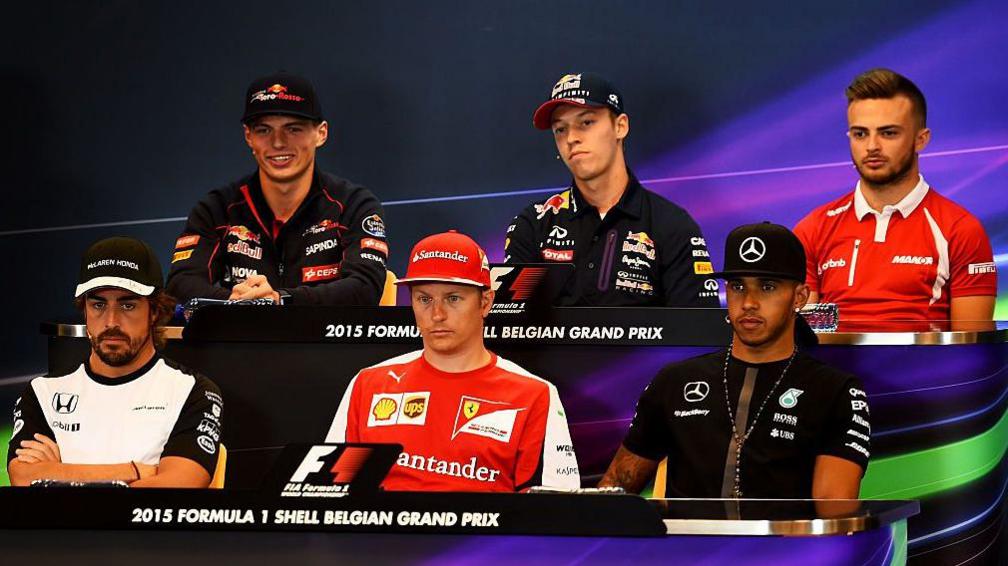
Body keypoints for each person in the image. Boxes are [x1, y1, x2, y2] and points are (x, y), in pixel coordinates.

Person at [599, 223, 870, 499]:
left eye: (767, 286)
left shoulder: (834, 391)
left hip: (786, 543)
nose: (749, 302)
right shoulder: (674, 382)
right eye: (738, 286)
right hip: (688, 542)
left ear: (799, 297)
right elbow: (616, 489)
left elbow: (835, 512)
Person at [326, 231, 580, 492]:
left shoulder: (536, 394)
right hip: (384, 533)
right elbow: (330, 495)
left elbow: (554, 511)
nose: (437, 314)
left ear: (485, 302)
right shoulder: (368, 383)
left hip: (487, 534)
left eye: (453, 298)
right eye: (424, 299)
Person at [8, 237, 223, 488]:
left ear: (154, 311)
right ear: (84, 310)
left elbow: (177, 487)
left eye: (127, 305)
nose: (111, 321)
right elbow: (23, 479)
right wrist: (135, 471)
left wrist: (57, 473)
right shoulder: (42, 393)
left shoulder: (193, 392)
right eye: (98, 304)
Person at [794, 68, 997, 326]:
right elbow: (806, 339)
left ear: (921, 140)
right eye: (860, 134)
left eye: (888, 133)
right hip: (829, 367)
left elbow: (972, 349)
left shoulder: (961, 230)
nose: (871, 147)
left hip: (927, 367)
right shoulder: (812, 230)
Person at [167, 72, 389, 306]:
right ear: (248, 136)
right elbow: (179, 284)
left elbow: (365, 286)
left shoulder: (354, 205)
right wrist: (239, 303)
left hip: (322, 341)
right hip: (240, 340)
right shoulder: (217, 209)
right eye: (264, 130)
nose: (278, 142)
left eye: (293, 129)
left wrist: (279, 301)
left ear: (321, 133)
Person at [504, 72, 719, 307]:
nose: (572, 138)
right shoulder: (534, 225)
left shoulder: (672, 226)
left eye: (586, 122)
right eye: (560, 129)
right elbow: (513, 328)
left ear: (620, 126)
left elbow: (697, 336)